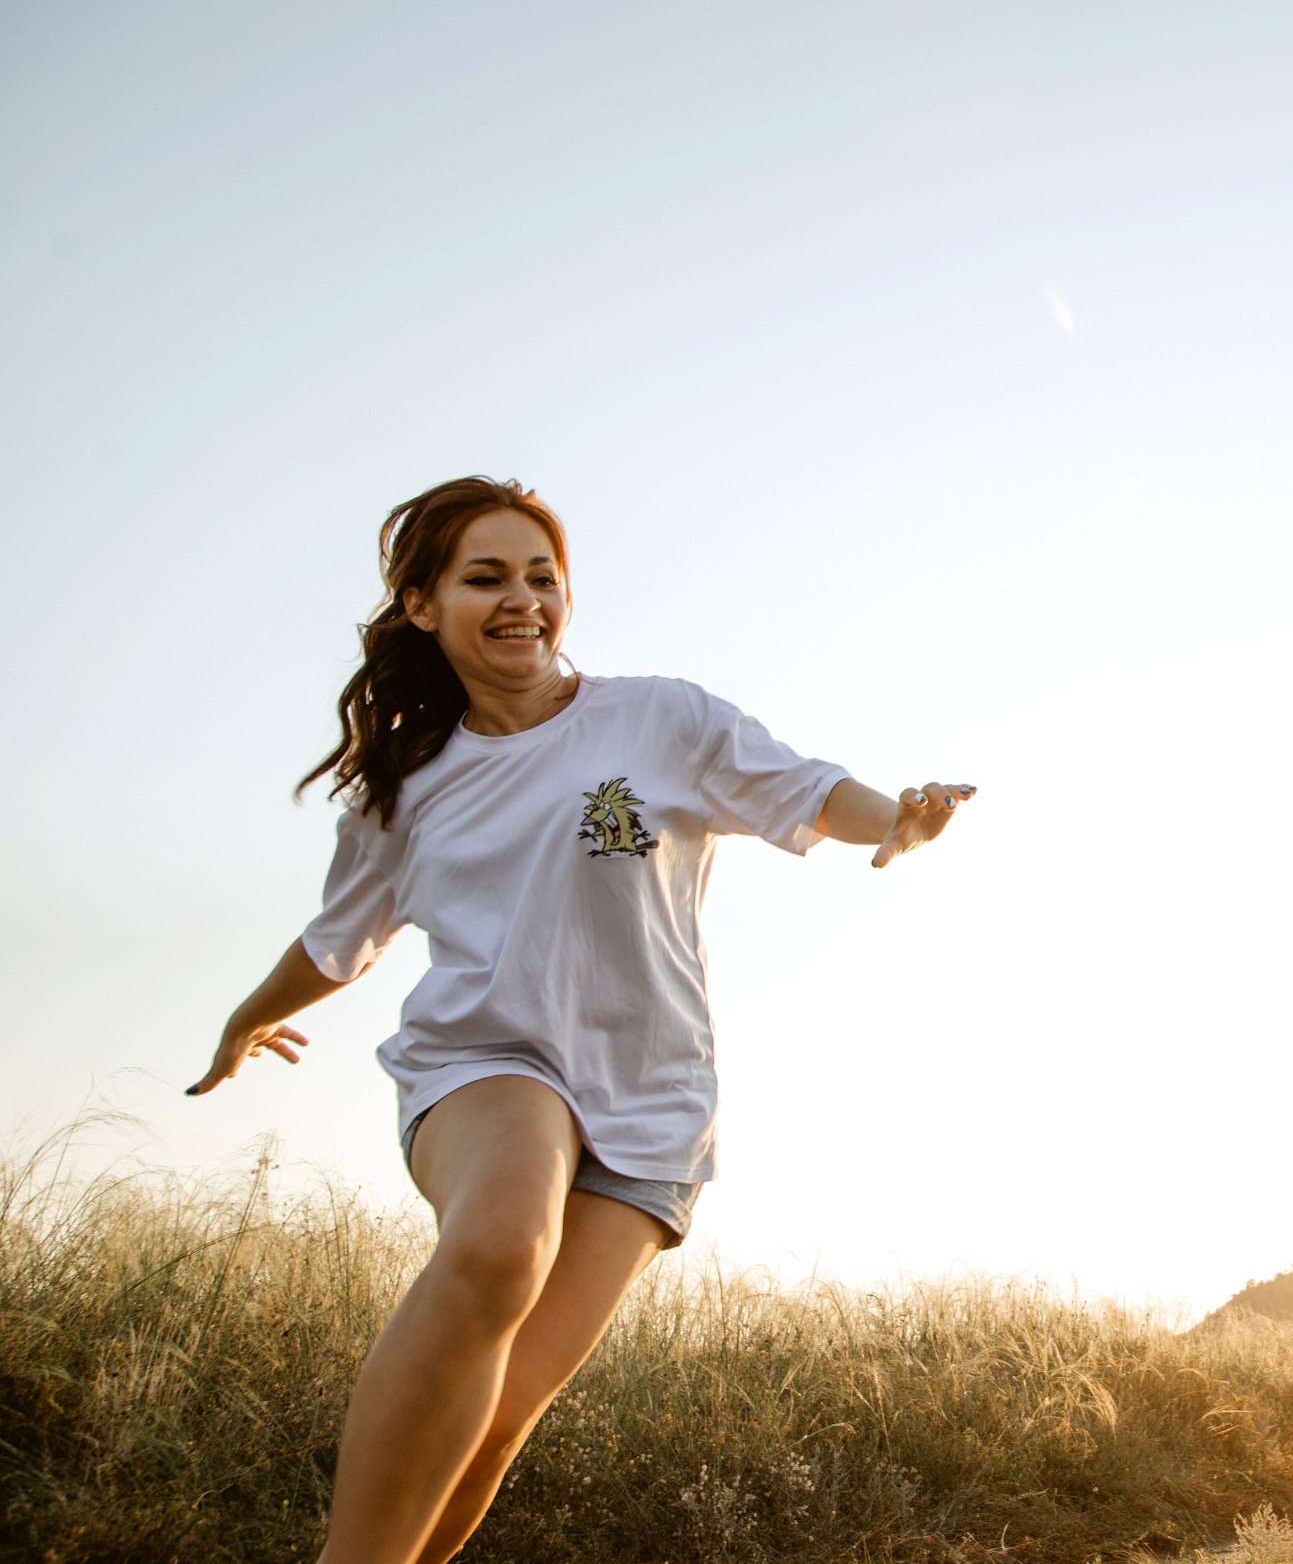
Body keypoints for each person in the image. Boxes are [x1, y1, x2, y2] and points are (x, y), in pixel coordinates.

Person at [187, 476, 976, 1564]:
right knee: (502, 1242)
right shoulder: (405, 787)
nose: (522, 599)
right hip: (488, 1060)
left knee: (494, 1415)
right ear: (422, 605)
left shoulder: (658, 718)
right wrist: (243, 1020)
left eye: (542, 577)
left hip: (654, 1105)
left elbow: (804, 788)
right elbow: (338, 941)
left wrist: (898, 819)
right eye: (486, 578)